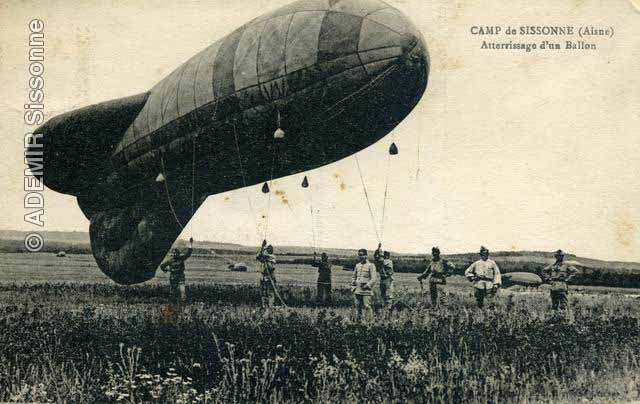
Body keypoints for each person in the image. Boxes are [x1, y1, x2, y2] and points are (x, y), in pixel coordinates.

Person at [540, 249, 578, 315]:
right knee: (554, 303)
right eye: (558, 256)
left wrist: (568, 278)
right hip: (554, 285)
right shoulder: (552, 265)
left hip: (562, 284)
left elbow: (575, 271)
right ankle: (555, 317)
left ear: (563, 257)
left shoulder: (566, 265)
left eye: (561, 256)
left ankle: (564, 317)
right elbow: (544, 271)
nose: (559, 257)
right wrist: (548, 278)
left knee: (563, 303)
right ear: (556, 257)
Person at [160, 237, 193, 303]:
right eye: (174, 253)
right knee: (175, 291)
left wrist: (190, 244)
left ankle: (180, 302)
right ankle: (174, 302)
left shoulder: (178, 259)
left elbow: (188, 253)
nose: (175, 254)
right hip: (176, 276)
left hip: (178, 276)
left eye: (176, 253)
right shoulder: (174, 260)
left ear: (178, 254)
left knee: (180, 291)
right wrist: (167, 270)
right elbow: (162, 266)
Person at [351, 248, 378, 323]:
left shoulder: (371, 265)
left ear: (366, 256)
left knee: (367, 306)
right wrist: (353, 283)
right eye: (359, 255)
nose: (361, 257)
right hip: (357, 290)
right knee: (357, 306)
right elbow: (354, 276)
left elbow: (374, 278)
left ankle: (369, 322)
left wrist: (367, 285)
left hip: (366, 290)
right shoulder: (357, 265)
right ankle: (359, 322)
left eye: (363, 255)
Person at [256, 240, 278, 308]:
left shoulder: (272, 257)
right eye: (268, 249)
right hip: (263, 277)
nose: (270, 250)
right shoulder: (264, 257)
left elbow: (265, 256)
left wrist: (263, 249)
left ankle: (270, 306)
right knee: (263, 292)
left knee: (270, 292)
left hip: (270, 277)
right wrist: (262, 247)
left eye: (270, 249)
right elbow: (258, 256)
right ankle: (264, 306)